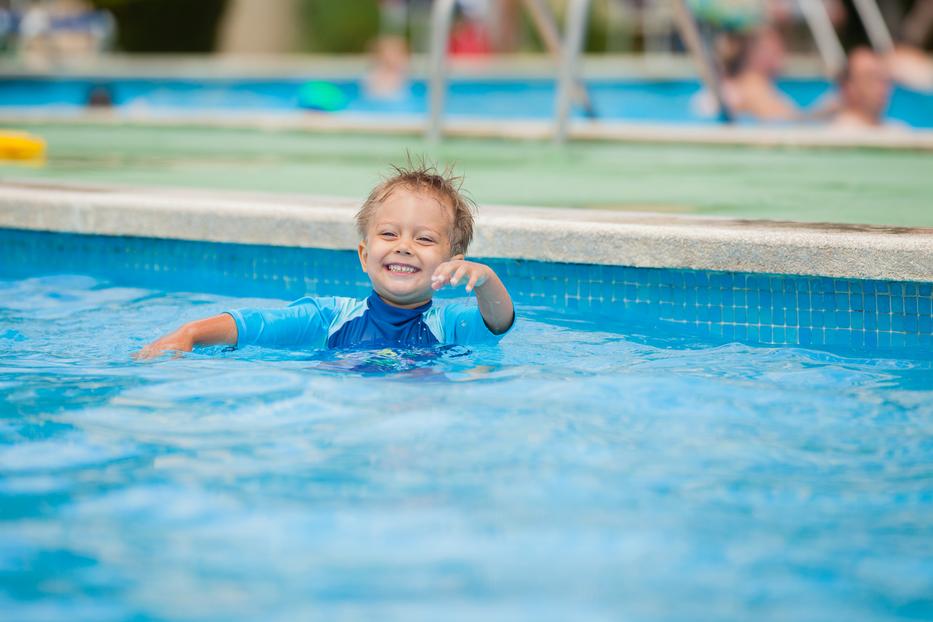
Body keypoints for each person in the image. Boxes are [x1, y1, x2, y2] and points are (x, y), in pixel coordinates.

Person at [136, 163, 515, 359]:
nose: (403, 246)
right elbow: (254, 325)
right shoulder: (329, 318)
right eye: (388, 234)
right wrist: (190, 334)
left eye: (425, 238)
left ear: (452, 263)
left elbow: (498, 321)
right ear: (364, 256)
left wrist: (485, 279)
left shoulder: (450, 324)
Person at [833, 47, 893, 128]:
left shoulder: (897, 129)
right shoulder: (836, 133)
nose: (881, 85)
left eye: (882, 77)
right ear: (849, 87)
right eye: (870, 78)